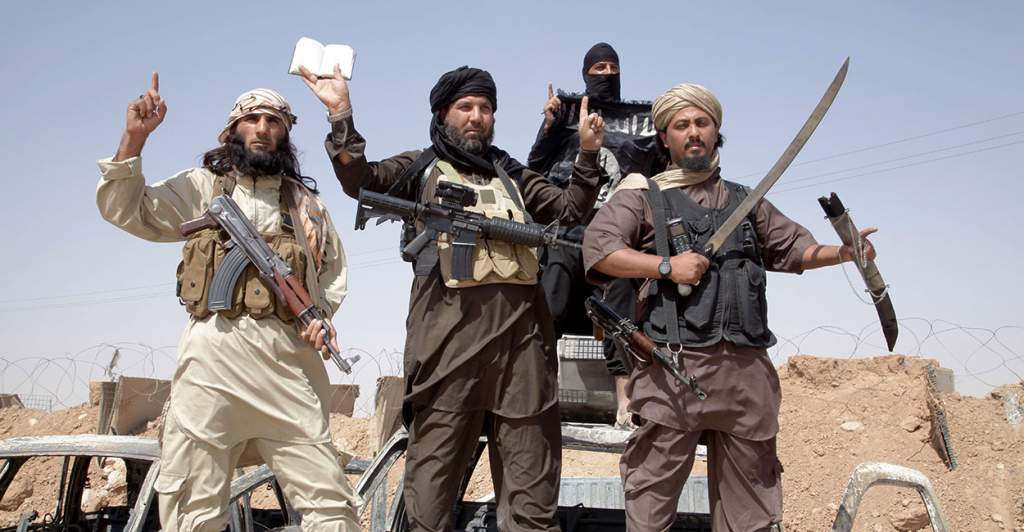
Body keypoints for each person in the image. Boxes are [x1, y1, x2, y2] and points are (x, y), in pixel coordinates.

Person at [299, 64, 605, 531]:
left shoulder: (511, 174)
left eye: (485, 108)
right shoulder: (422, 166)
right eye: (465, 107)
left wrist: (587, 153)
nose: (476, 117)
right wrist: (341, 113)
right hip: (447, 351)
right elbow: (360, 179)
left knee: (532, 501)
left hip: (522, 352)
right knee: (431, 496)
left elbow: (569, 210)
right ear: (443, 114)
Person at [582, 83, 878, 531]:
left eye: (702, 123)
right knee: (650, 505)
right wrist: (667, 266)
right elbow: (600, 250)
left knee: (751, 514)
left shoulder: (747, 202)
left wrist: (844, 253)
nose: (693, 132)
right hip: (673, 372)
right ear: (665, 137)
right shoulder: (643, 195)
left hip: (745, 378)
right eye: (682, 125)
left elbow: (795, 249)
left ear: (716, 130)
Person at [95, 73, 360, 531]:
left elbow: (331, 278)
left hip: (287, 367)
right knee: (193, 509)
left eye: (273, 122)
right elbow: (128, 209)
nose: (263, 129)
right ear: (233, 129)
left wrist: (321, 319)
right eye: (252, 119)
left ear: (285, 134)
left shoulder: (306, 207)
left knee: (331, 506)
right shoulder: (204, 188)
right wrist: (134, 140)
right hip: (211, 366)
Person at [527, 42, 667, 428]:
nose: (606, 74)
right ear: (585, 74)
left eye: (612, 68)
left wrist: (665, 130)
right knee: (549, 299)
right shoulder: (567, 117)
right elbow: (534, 169)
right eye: (598, 68)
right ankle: (539, 393)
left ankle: (626, 402)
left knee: (620, 307)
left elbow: (660, 175)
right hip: (567, 235)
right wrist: (549, 128)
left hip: (615, 240)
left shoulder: (642, 124)